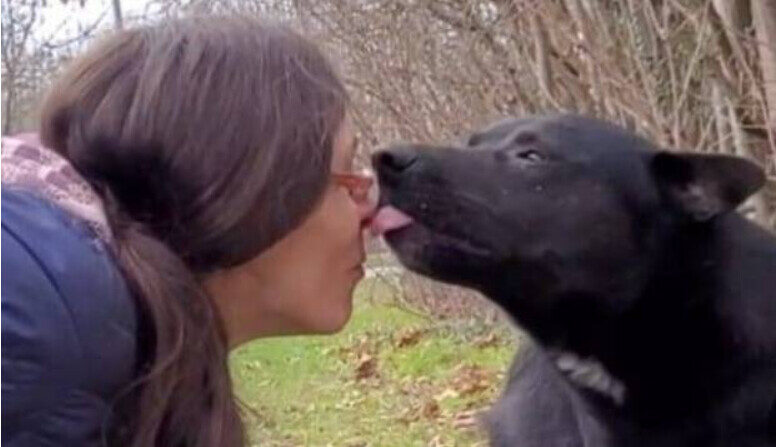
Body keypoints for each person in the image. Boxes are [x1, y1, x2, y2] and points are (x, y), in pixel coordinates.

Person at [2, 16, 376, 446]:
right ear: (251, 186)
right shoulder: (38, 331)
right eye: (346, 174)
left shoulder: (119, 346)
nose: (371, 209)